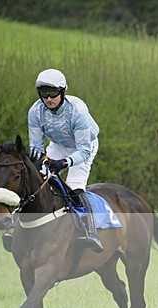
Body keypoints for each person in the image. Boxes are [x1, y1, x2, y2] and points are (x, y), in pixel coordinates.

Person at [28, 68, 103, 252]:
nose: (49, 99)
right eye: (44, 95)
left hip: (85, 146)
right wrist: (37, 164)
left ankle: (91, 231)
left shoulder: (77, 111)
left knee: (74, 185)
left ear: (62, 92)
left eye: (53, 94)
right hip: (58, 144)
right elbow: (36, 147)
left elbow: (84, 151)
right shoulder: (35, 112)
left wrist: (63, 163)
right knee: (37, 180)